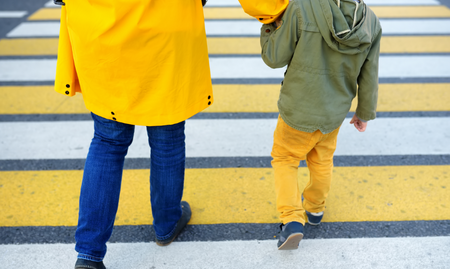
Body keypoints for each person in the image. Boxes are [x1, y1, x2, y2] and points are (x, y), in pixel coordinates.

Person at [54, 0, 212, 268]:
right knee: (168, 136)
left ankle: (88, 255)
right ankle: (166, 225)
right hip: (166, 26)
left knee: (107, 142)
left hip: (99, 28)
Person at [238, 0, 381, 250]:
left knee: (285, 159)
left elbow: (274, 58)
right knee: (322, 159)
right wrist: (364, 112)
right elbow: (370, 72)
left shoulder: (302, 7)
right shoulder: (371, 21)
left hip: (298, 109)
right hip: (334, 111)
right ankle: (315, 209)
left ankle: (292, 219)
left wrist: (269, 25)